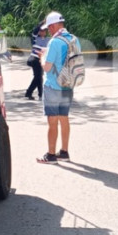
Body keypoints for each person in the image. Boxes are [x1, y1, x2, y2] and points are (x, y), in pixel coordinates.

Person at [36, 11, 80, 164]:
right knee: (64, 119)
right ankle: (64, 152)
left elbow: (47, 67)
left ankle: (51, 154)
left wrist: (42, 57)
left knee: (52, 121)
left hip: (53, 86)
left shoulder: (54, 42)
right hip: (68, 85)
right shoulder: (74, 40)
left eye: (49, 27)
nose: (48, 30)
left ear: (54, 25)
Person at [25, 20, 48, 100]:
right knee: (38, 77)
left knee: (38, 77)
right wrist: (42, 23)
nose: (42, 32)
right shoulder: (35, 38)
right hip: (34, 59)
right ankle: (37, 94)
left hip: (41, 60)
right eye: (41, 30)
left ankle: (34, 94)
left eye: (44, 30)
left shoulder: (47, 40)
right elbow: (35, 31)